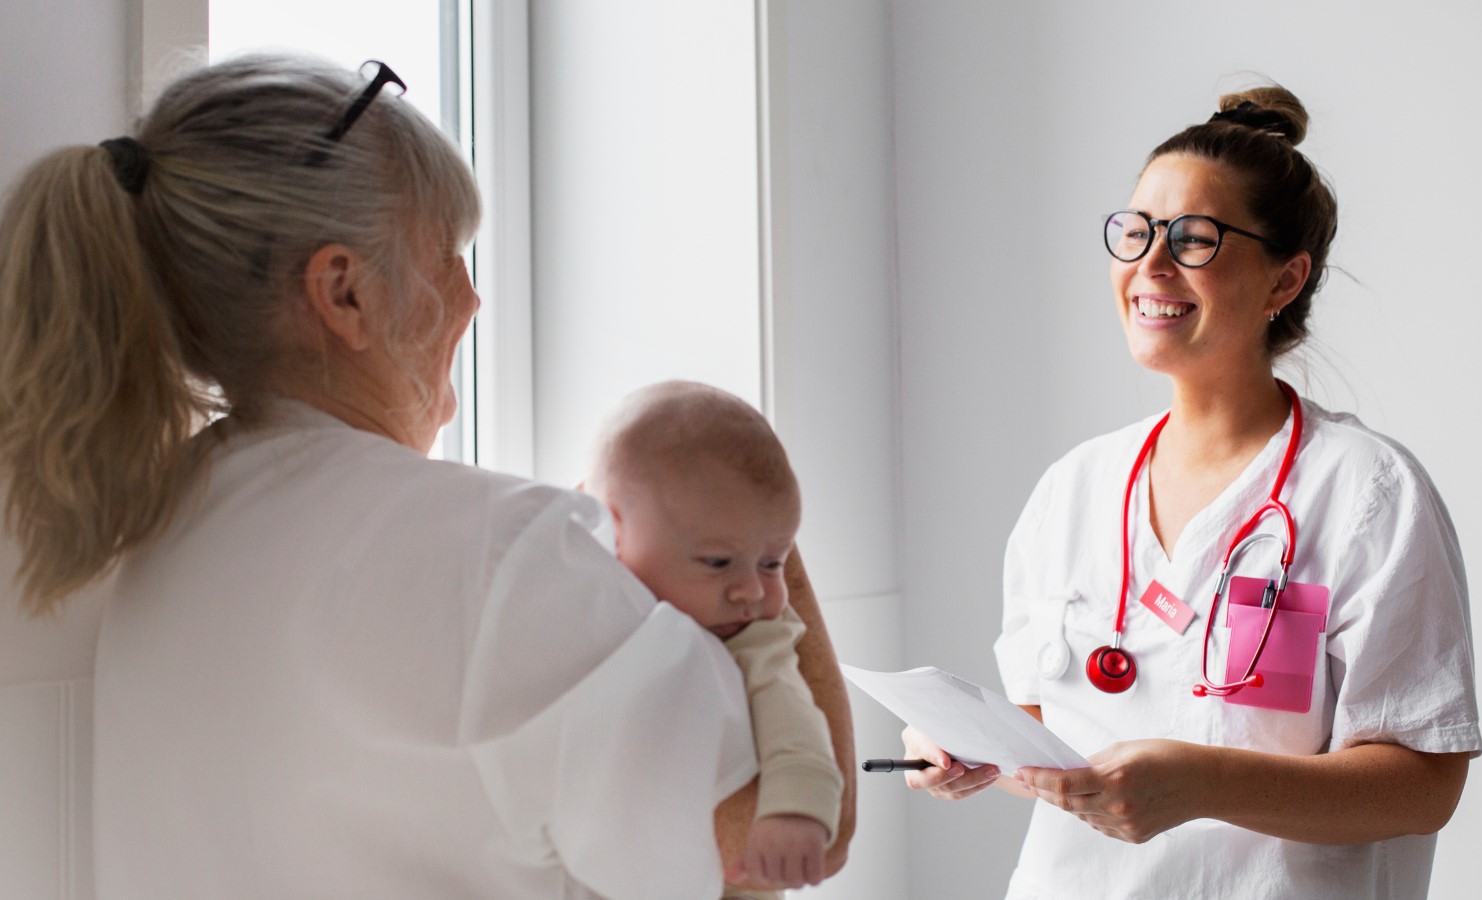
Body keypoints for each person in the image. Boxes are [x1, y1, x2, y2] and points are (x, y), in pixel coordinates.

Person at [0, 53, 852, 899]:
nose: (473, 298)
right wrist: (748, 528)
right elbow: (797, 825)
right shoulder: (504, 557)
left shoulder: (166, 530)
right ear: (345, 294)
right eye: (446, 253)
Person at [902, 86, 1482, 899]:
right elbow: (1057, 741)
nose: (1150, 265)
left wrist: (1202, 783)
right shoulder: (1074, 489)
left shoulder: (1366, 493)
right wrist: (976, 749)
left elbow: (1424, 784)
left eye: (1195, 239)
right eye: (1135, 232)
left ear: (1285, 279)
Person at [587, 380, 844, 898]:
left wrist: (795, 810)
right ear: (615, 529)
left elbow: (792, 716)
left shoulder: (758, 636)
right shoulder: (586, 592)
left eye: (773, 562)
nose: (751, 591)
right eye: (718, 563)